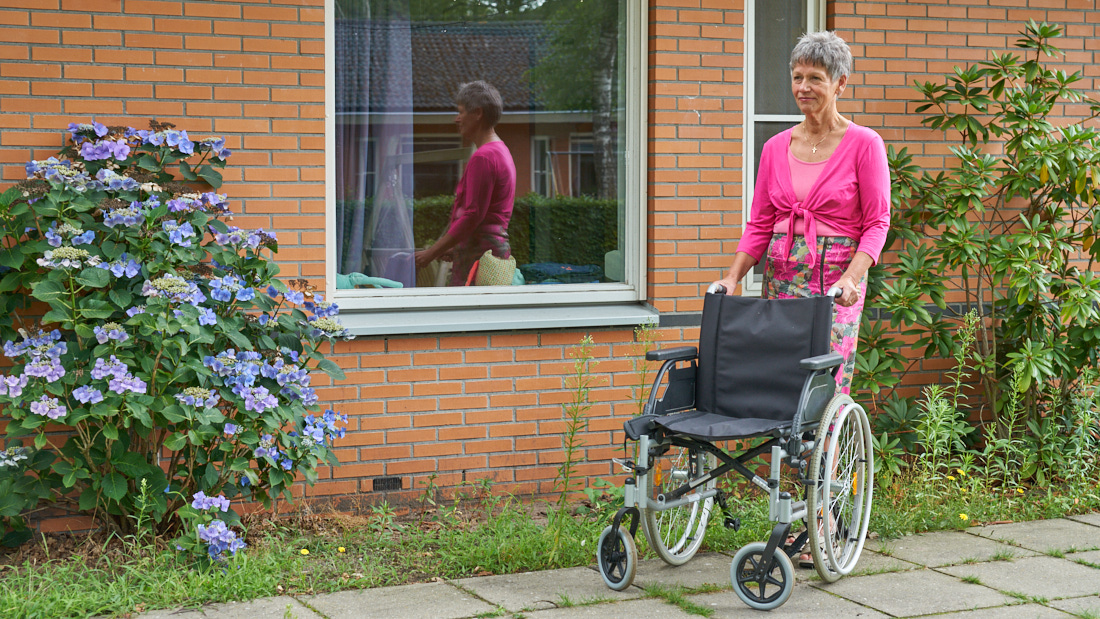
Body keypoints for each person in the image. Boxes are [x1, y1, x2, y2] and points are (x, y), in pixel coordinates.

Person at [713, 30, 890, 397]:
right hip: (781, 276)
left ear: (840, 83)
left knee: (824, 384)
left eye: (815, 78)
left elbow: (877, 223)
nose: (803, 87)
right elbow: (760, 224)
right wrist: (731, 278)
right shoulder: (775, 147)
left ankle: (827, 437)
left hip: (836, 282)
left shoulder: (865, 144)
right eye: (797, 77)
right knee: (779, 379)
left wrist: (852, 279)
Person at [414, 81, 516, 286]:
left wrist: (431, 253)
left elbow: (473, 215)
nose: (457, 119)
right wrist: (455, 246)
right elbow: (487, 217)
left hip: (479, 256)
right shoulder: (500, 150)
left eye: (461, 112)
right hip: (489, 251)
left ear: (477, 113)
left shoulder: (484, 157)